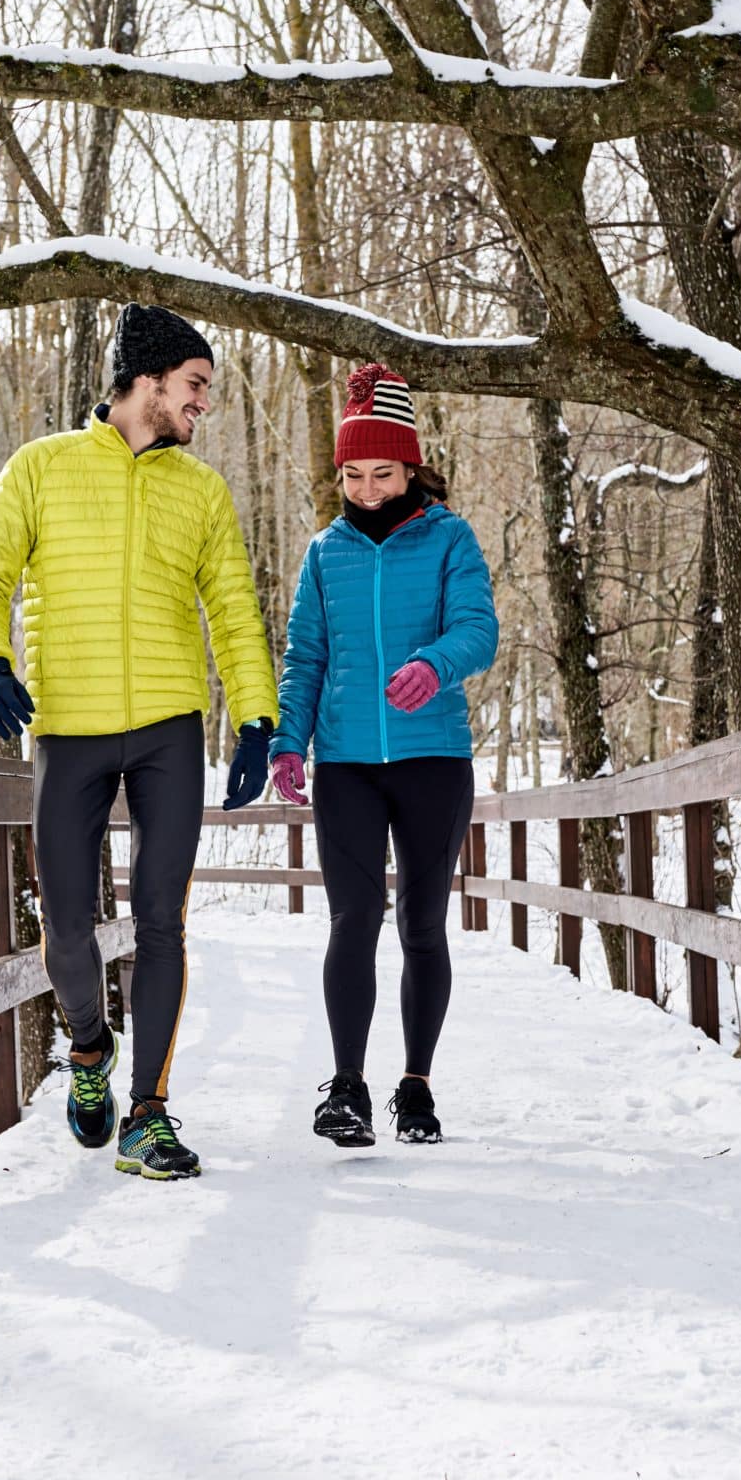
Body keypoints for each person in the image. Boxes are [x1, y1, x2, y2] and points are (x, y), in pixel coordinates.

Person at [0, 304, 279, 1182]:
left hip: (170, 726)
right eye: (195, 386)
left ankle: (148, 1114)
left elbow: (235, 613)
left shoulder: (200, 492)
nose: (202, 404)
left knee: (162, 922)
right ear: (147, 379)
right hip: (69, 723)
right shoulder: (43, 469)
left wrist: (256, 714)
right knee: (66, 924)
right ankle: (90, 1051)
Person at [270, 363, 497, 1147]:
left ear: (411, 468)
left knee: (422, 926)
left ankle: (417, 1085)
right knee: (353, 918)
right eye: (353, 473)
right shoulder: (323, 553)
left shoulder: (450, 538)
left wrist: (433, 663)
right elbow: (305, 656)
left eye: (383, 471)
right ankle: (348, 1089)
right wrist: (287, 741)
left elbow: (479, 629)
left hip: (433, 757)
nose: (367, 487)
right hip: (347, 765)